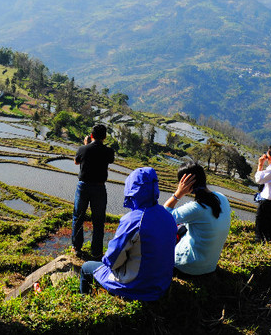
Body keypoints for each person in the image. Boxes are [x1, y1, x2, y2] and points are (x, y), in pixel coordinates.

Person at [79, 166, 176, 301]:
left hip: (137, 287)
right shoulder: (168, 216)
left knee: (86, 268)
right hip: (161, 285)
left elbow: (113, 261)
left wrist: (105, 260)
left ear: (132, 191)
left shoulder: (133, 220)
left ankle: (84, 303)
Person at [162, 162, 231, 275]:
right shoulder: (221, 197)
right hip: (210, 266)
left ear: (184, 184)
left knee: (168, 229)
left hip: (189, 266)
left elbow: (163, 217)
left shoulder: (197, 208)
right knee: (182, 227)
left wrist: (177, 194)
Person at [72, 124, 115, 259]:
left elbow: (76, 162)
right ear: (105, 137)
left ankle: (77, 247)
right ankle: (96, 252)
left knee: (78, 217)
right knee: (98, 220)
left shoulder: (83, 149)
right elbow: (110, 160)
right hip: (99, 188)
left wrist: (86, 144)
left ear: (91, 136)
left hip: (83, 187)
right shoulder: (109, 151)